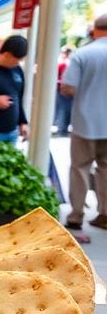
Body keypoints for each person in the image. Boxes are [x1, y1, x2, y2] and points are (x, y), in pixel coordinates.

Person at [61, 14, 107, 230]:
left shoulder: (84, 53)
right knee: (106, 168)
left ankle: (76, 215)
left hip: (85, 121)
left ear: (95, 30)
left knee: (80, 167)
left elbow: (68, 87)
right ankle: (105, 214)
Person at [55, 47, 74, 135]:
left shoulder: (62, 63)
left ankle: (62, 128)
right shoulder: (66, 64)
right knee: (65, 109)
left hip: (61, 88)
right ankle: (62, 128)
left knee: (62, 109)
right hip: (65, 89)